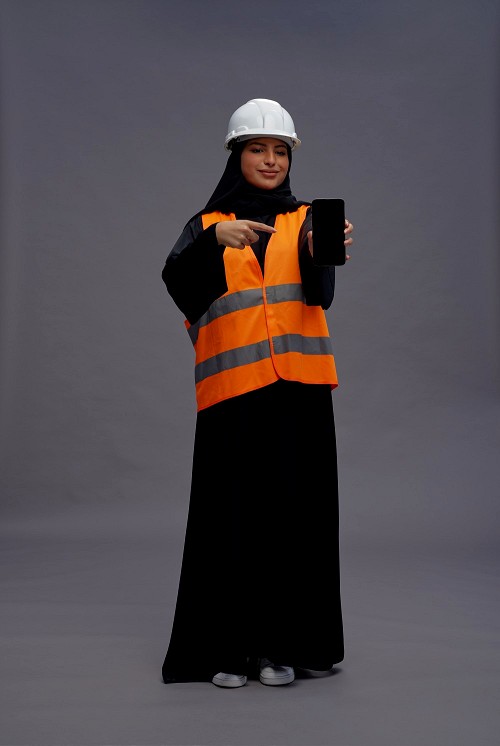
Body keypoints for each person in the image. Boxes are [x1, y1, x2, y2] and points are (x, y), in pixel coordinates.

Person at [160, 98, 354, 688]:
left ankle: (281, 649)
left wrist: (325, 252)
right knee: (230, 522)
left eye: (280, 151)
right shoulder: (206, 225)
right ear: (236, 155)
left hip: (300, 393)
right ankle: (228, 650)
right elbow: (178, 285)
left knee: (296, 522)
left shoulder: (306, 220)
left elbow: (320, 294)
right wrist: (215, 242)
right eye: (258, 149)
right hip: (233, 393)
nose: (271, 160)